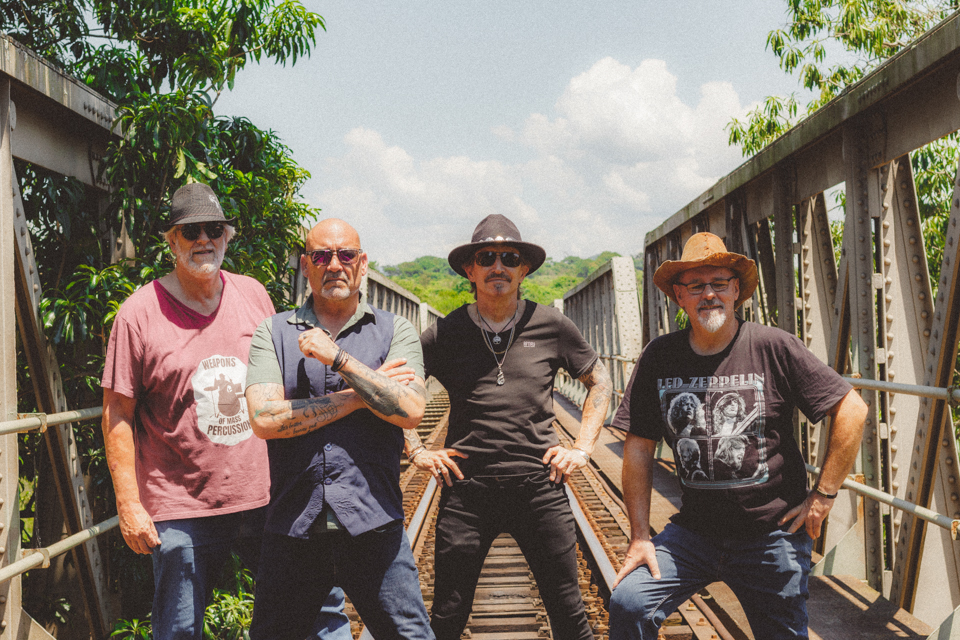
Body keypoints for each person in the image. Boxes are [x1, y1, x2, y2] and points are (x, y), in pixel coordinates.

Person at [100, 183, 350, 640]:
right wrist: (129, 503)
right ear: (171, 240)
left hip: (266, 491)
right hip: (180, 504)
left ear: (227, 236)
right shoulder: (138, 314)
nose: (204, 240)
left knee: (316, 608)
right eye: (190, 230)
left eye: (213, 229)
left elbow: (290, 381)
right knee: (178, 629)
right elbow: (117, 412)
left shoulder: (253, 296)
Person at [608, 232, 867, 640]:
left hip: (771, 535)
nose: (708, 295)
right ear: (679, 295)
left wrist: (824, 494)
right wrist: (640, 536)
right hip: (693, 533)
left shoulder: (773, 347)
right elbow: (639, 448)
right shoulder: (660, 356)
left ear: (736, 292)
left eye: (719, 284)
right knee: (629, 604)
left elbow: (852, 408)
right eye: (696, 286)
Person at [414, 214, 613, 640]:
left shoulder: (551, 324)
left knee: (569, 612)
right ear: (471, 270)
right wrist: (416, 448)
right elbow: (396, 389)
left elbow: (600, 380)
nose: (498, 266)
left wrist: (581, 448)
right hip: (467, 492)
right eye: (486, 257)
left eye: (509, 257)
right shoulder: (445, 333)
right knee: (448, 613)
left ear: (524, 269)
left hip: (539, 488)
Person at [244, 218, 435, 640]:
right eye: (321, 256)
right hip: (294, 526)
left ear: (362, 263)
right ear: (305, 264)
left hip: (374, 524)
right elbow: (264, 420)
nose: (335, 265)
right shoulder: (273, 332)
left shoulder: (394, 330)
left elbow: (410, 410)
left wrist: (340, 360)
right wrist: (363, 393)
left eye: (346, 255)